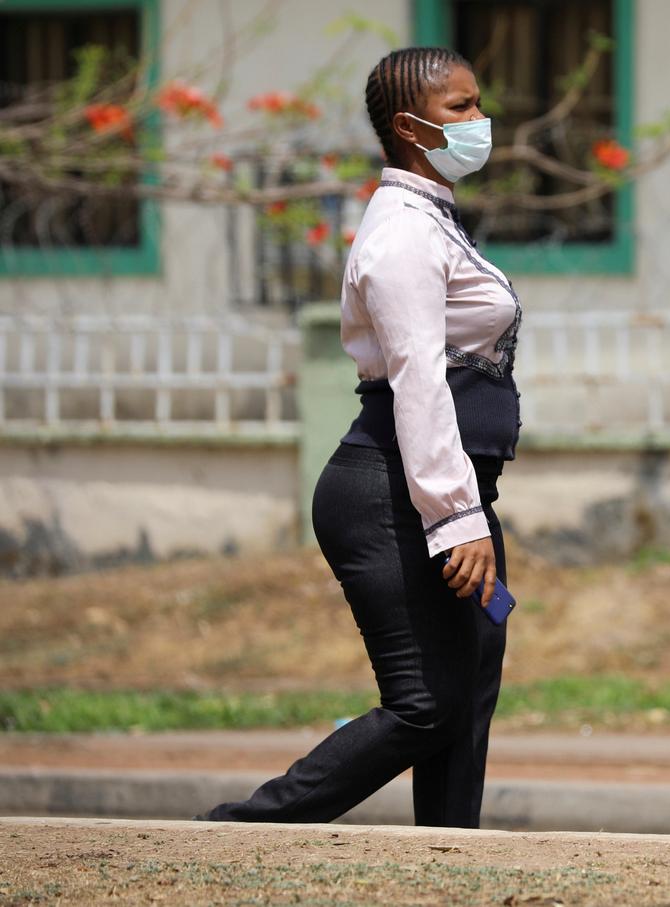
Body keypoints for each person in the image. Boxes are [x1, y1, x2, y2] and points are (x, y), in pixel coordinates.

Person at [195, 46, 521, 827]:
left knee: (469, 681)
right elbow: (418, 378)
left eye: (479, 104)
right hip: (393, 495)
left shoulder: (432, 217)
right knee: (425, 704)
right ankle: (249, 828)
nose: (482, 123)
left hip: (443, 491)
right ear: (411, 127)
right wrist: (454, 517)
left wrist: (466, 506)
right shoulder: (401, 235)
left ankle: (449, 859)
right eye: (461, 108)